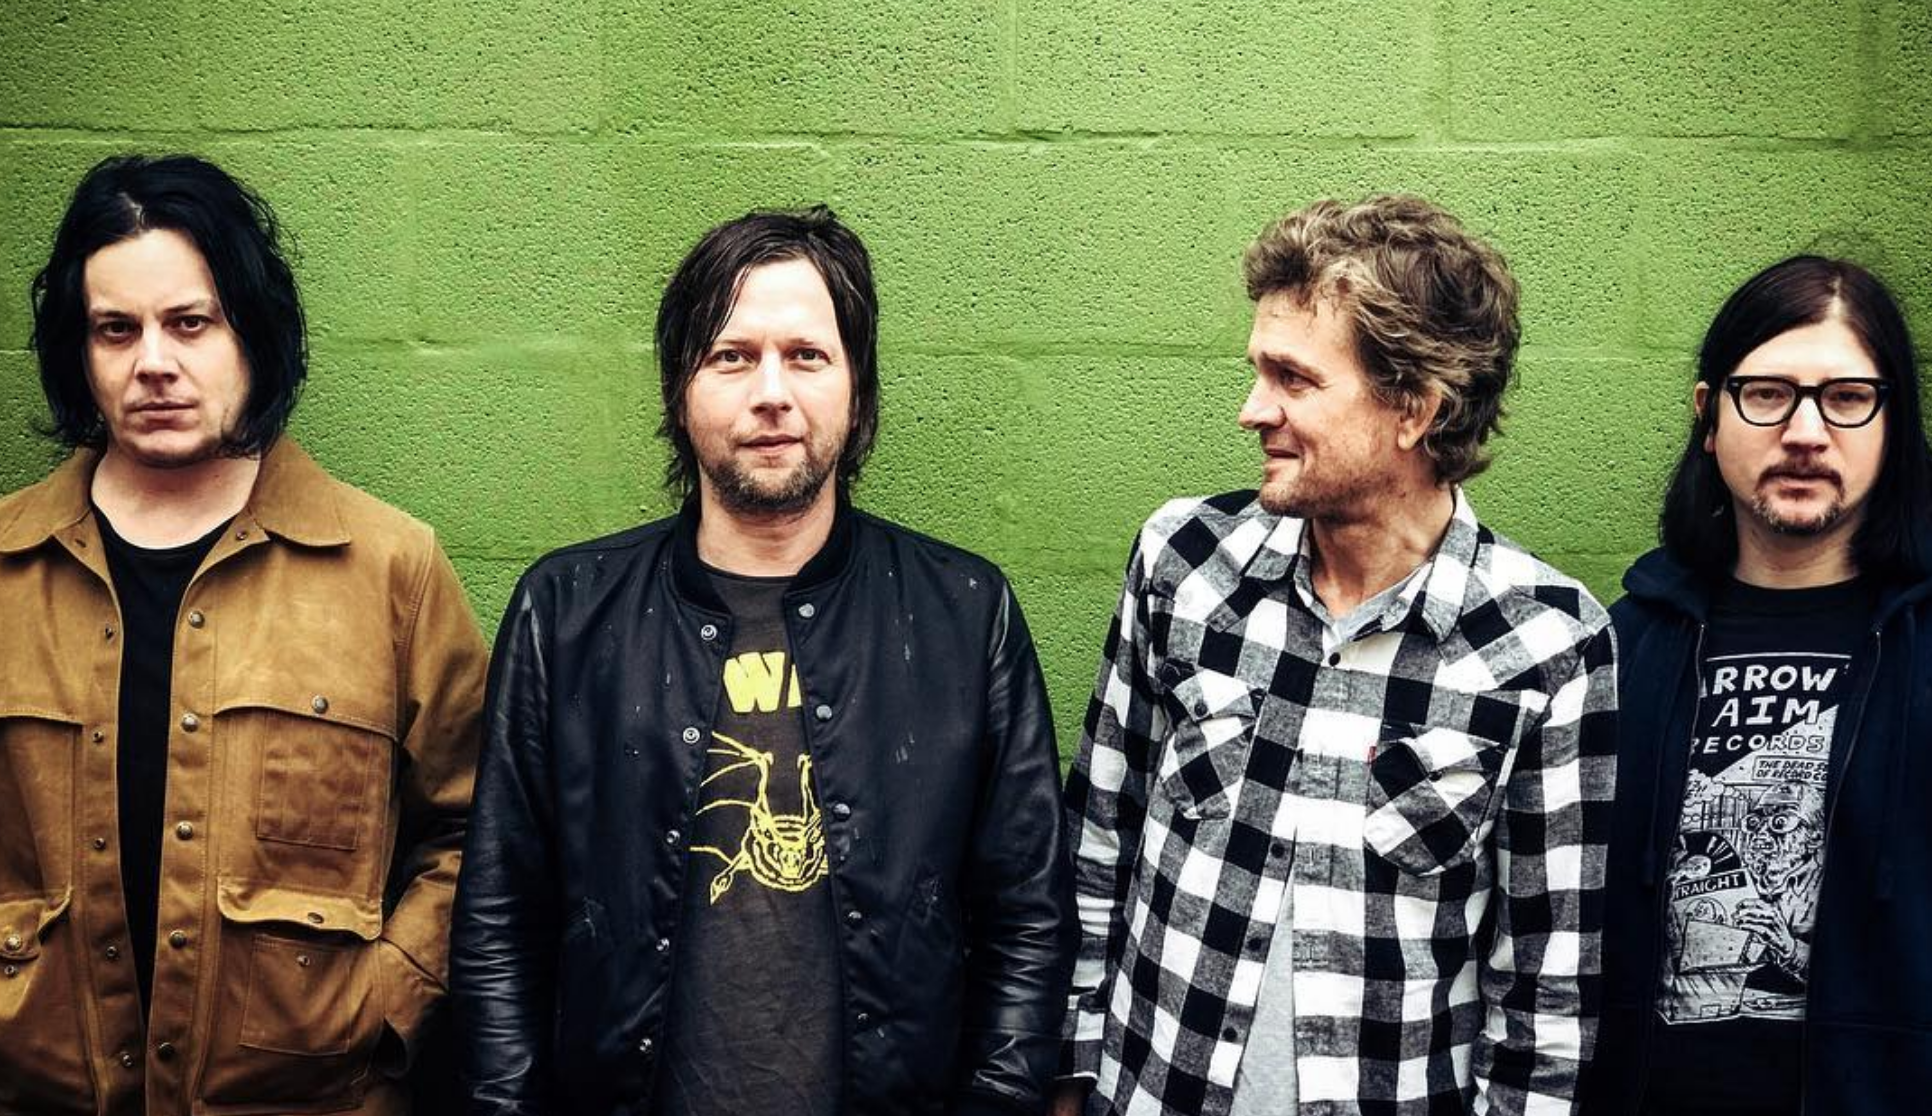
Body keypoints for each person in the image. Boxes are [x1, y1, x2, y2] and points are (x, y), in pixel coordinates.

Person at [451, 205, 1074, 1116]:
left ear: (857, 386)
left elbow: (1028, 917)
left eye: (807, 355)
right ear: (680, 388)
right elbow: (500, 916)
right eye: (732, 356)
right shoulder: (566, 611)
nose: (771, 391)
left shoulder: (965, 612)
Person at [1056, 194, 1618, 1116]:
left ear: (1415, 408)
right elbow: (1096, 845)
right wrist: (1069, 1077)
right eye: (1258, 371)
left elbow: (1545, 992)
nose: (1252, 410)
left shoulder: (1548, 645)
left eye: (1293, 378)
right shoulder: (1184, 565)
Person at [0, 154, 487, 1115]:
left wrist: (386, 1003)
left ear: (252, 333)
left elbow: (476, 828)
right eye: (116, 329)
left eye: (191, 322)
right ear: (79, 352)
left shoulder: (391, 568)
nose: (153, 362)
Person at [1587, 256, 1932, 1116]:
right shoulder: (1623, 648)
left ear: (1894, 425)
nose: (1806, 432)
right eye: (1768, 394)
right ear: (1710, 416)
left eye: (1848, 397)